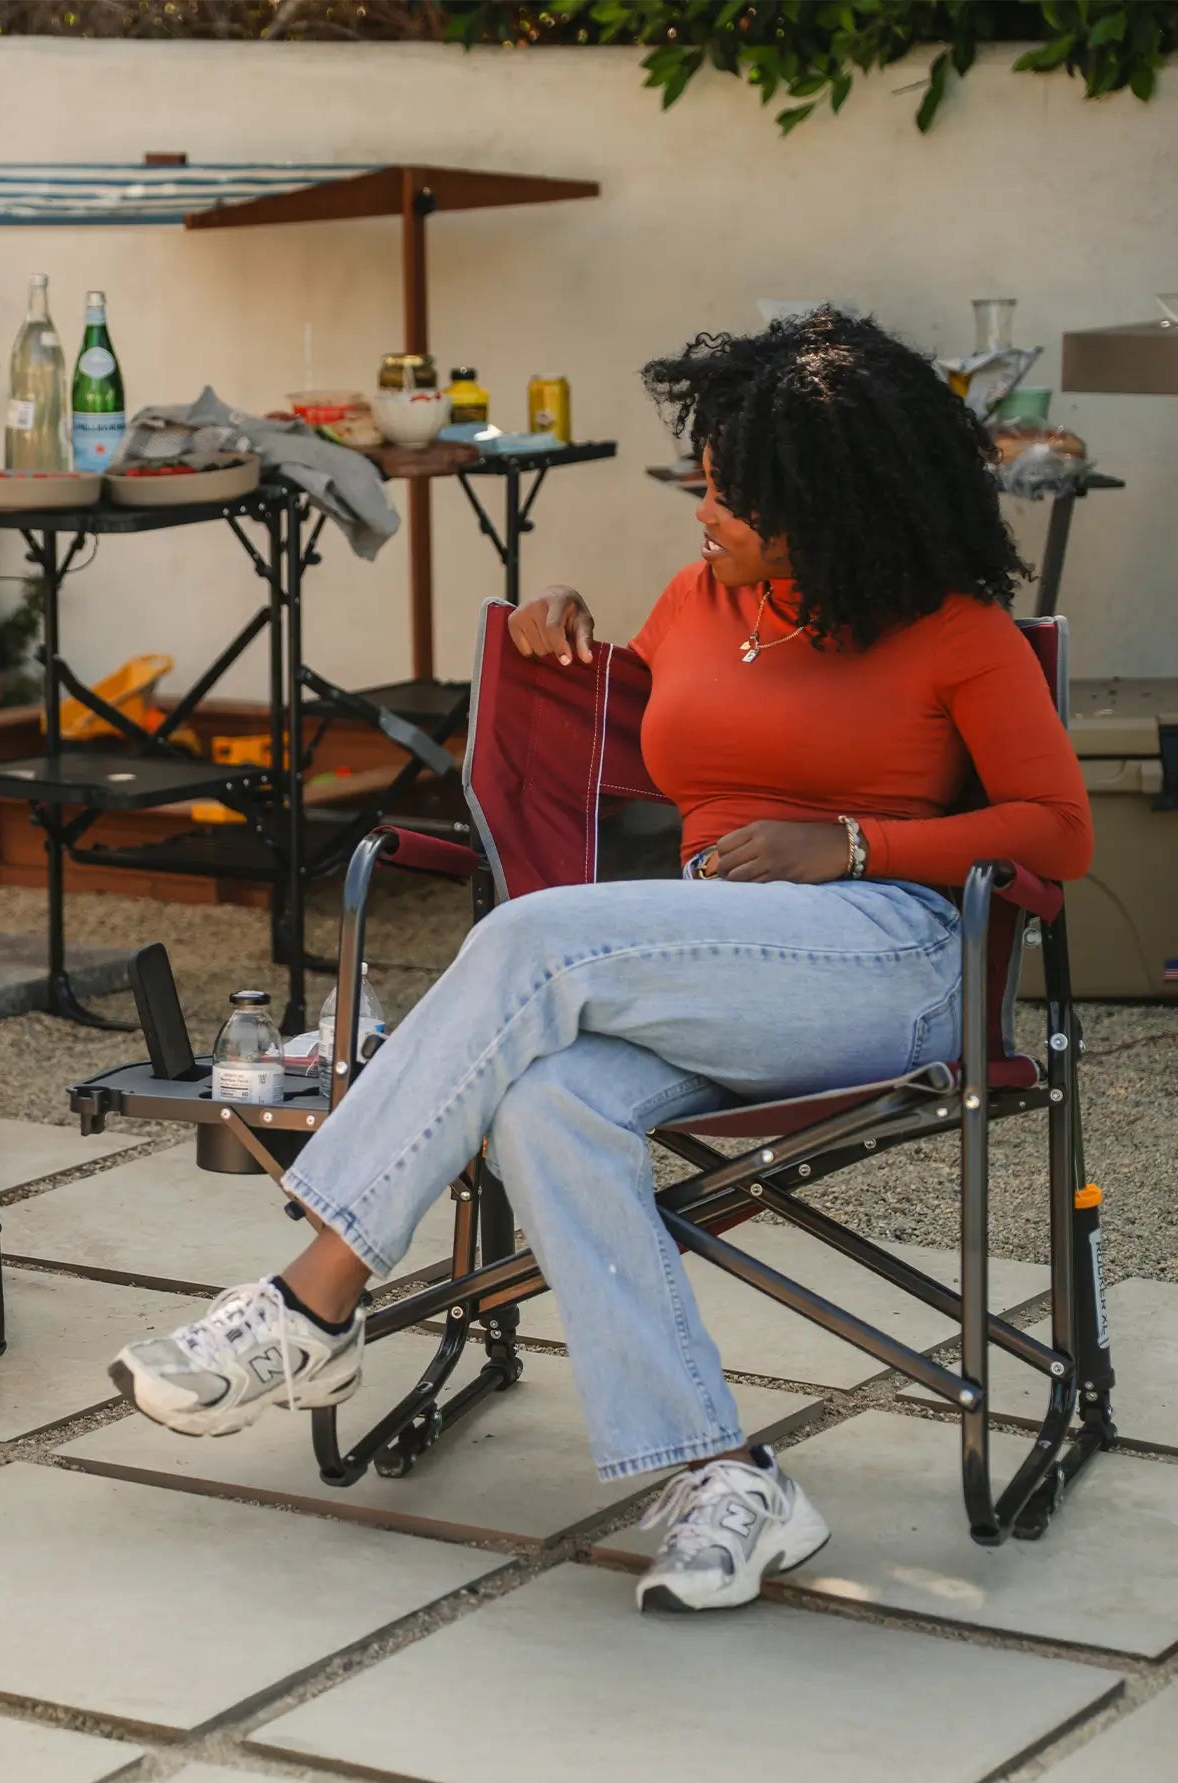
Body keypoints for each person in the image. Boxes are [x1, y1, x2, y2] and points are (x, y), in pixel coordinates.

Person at [110, 309, 1093, 1612]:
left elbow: (1057, 834)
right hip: (714, 963)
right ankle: (728, 1474)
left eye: (737, 491)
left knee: (528, 940)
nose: (704, 502)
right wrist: (559, 637)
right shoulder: (700, 597)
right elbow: (670, 723)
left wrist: (853, 842)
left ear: (832, 507)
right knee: (545, 1100)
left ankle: (314, 1301)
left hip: (890, 961)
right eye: (709, 471)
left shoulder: (954, 632)